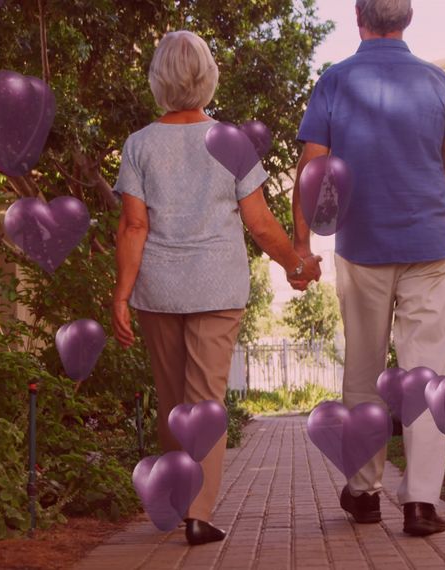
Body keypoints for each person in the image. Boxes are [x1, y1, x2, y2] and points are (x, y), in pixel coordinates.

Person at [110, 30, 322, 546]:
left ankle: (180, 500)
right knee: (205, 400)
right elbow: (261, 224)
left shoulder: (140, 144)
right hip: (218, 290)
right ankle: (198, 515)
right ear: (208, 77)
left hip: (158, 290)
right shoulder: (231, 141)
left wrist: (121, 293)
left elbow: (134, 226)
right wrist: (297, 262)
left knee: (171, 400)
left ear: (159, 79)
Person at [291, 0, 445, 537]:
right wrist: (430, 217)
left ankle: (364, 494)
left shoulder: (336, 80)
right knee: (425, 376)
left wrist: (301, 245)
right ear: (407, 19)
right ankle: (420, 505)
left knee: (363, 373)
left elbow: (312, 172)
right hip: (428, 249)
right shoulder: (437, 82)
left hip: (362, 247)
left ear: (358, 18)